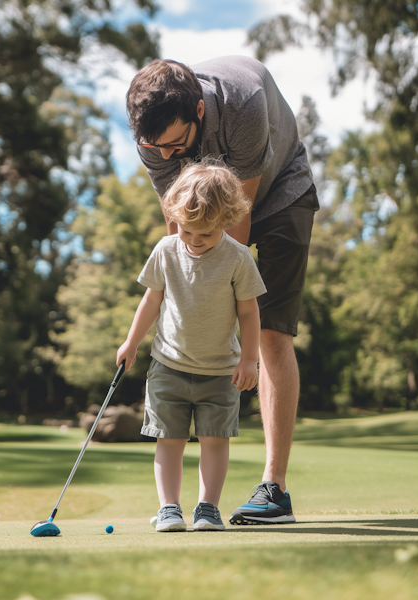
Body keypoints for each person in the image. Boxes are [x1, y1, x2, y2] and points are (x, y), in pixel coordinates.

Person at [126, 55, 318, 525]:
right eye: (157, 149)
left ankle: (275, 487)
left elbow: (236, 221)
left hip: (278, 194)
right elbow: (179, 223)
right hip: (210, 217)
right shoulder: (155, 140)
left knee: (271, 330)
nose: (167, 155)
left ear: (199, 111)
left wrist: (219, 324)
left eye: (176, 145)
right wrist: (181, 301)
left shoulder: (243, 104)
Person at [116, 162, 267, 532]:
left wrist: (250, 359)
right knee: (169, 439)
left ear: (226, 221)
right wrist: (131, 341)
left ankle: (207, 508)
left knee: (215, 440)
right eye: (186, 230)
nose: (194, 240)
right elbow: (152, 300)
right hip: (168, 365)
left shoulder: (238, 258)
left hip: (220, 371)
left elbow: (249, 313)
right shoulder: (167, 250)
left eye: (206, 233)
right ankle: (169, 508)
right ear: (174, 218)